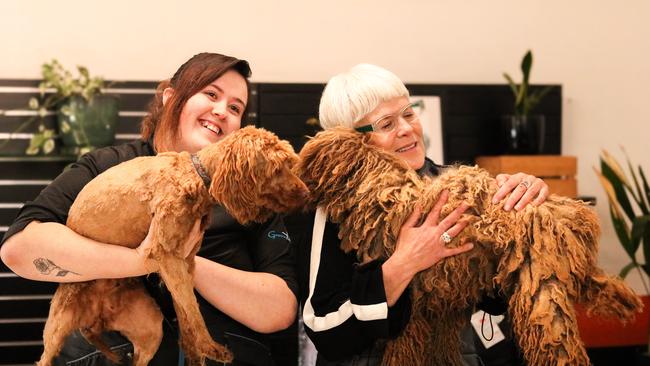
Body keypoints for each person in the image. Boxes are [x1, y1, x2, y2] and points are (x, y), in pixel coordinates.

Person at [0, 52, 297, 366]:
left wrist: (183, 260)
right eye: (211, 94)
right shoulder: (107, 167)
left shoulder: (250, 193)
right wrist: (143, 260)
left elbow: (278, 311)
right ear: (171, 98)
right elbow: (21, 249)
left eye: (235, 107)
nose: (222, 110)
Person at [296, 64, 549, 366]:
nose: (406, 128)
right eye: (386, 124)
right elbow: (324, 329)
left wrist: (527, 211)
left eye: (408, 113)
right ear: (352, 141)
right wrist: (404, 263)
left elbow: (495, 304)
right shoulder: (336, 208)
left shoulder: (458, 188)